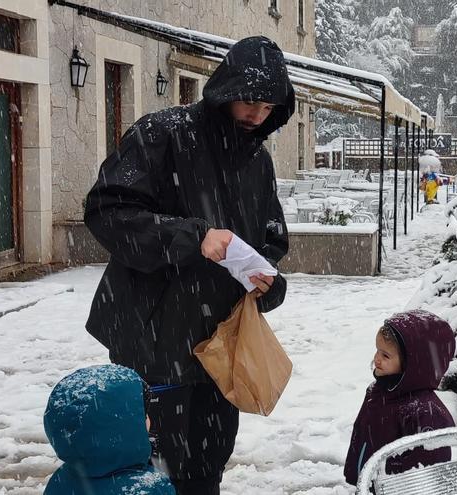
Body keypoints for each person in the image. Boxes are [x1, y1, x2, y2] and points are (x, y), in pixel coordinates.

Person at [83, 36, 294, 494]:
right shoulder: (162, 135)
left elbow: (272, 238)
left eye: (269, 106)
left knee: (207, 467)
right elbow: (107, 212)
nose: (259, 115)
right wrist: (193, 237)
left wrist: (268, 282)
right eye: (251, 101)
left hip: (221, 344)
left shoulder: (258, 162)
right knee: (154, 470)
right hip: (153, 336)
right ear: (226, 88)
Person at [344, 310, 456, 487]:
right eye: (377, 351)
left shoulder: (425, 412)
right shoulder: (378, 391)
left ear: (412, 364)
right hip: (371, 484)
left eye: (385, 355)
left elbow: (429, 470)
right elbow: (363, 432)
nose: (377, 359)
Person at [43, 364, 175, 495]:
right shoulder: (148, 487)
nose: (149, 420)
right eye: (144, 415)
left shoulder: (61, 480)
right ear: (125, 429)